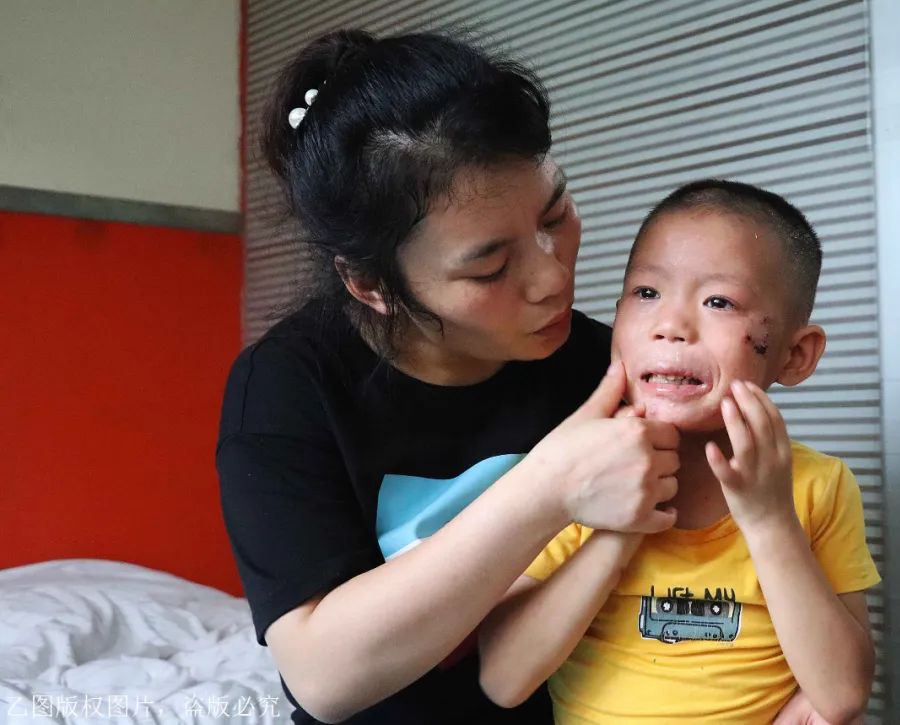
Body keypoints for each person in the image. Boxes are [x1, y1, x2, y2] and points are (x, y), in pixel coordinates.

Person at [216, 27, 682, 725]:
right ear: (371, 282)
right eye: (491, 268)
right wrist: (549, 486)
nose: (553, 276)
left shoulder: (603, 363)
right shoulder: (287, 387)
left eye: (556, 214)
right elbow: (323, 677)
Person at [478, 180, 881, 724]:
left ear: (795, 355)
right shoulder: (576, 476)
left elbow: (840, 695)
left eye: (719, 301)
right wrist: (619, 529)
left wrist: (767, 521)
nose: (670, 326)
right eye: (646, 293)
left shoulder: (817, 487)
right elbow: (504, 680)